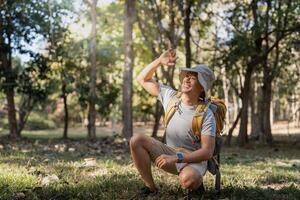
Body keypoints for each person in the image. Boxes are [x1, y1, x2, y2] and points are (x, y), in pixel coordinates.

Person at [130, 49, 216, 199]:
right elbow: (142, 79)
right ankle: (150, 188)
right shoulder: (171, 97)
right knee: (136, 140)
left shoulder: (206, 114)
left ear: (202, 88)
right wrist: (159, 61)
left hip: (193, 158)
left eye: (193, 78)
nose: (187, 79)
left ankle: (197, 184)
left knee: (188, 180)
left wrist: (178, 158)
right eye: (186, 76)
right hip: (169, 151)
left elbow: (207, 152)